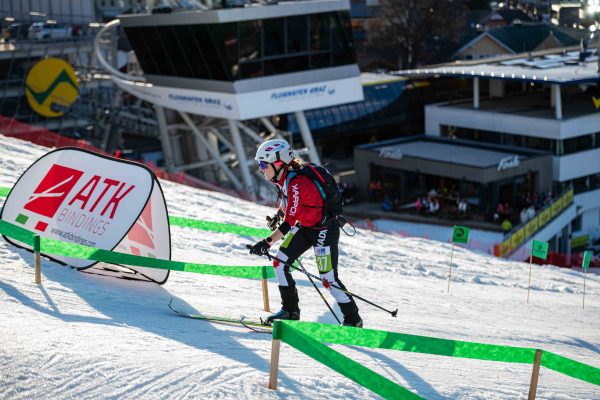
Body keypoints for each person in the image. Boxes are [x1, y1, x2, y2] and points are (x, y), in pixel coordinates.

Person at [248, 139, 363, 327]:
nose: (261, 169)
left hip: (324, 230)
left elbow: (289, 222)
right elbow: (287, 202)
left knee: (327, 278)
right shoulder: (282, 178)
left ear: (278, 163)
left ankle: (353, 319)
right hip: (306, 226)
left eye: (263, 164)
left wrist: (266, 242)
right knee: (279, 263)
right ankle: (290, 311)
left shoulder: (296, 182)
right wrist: (279, 213)